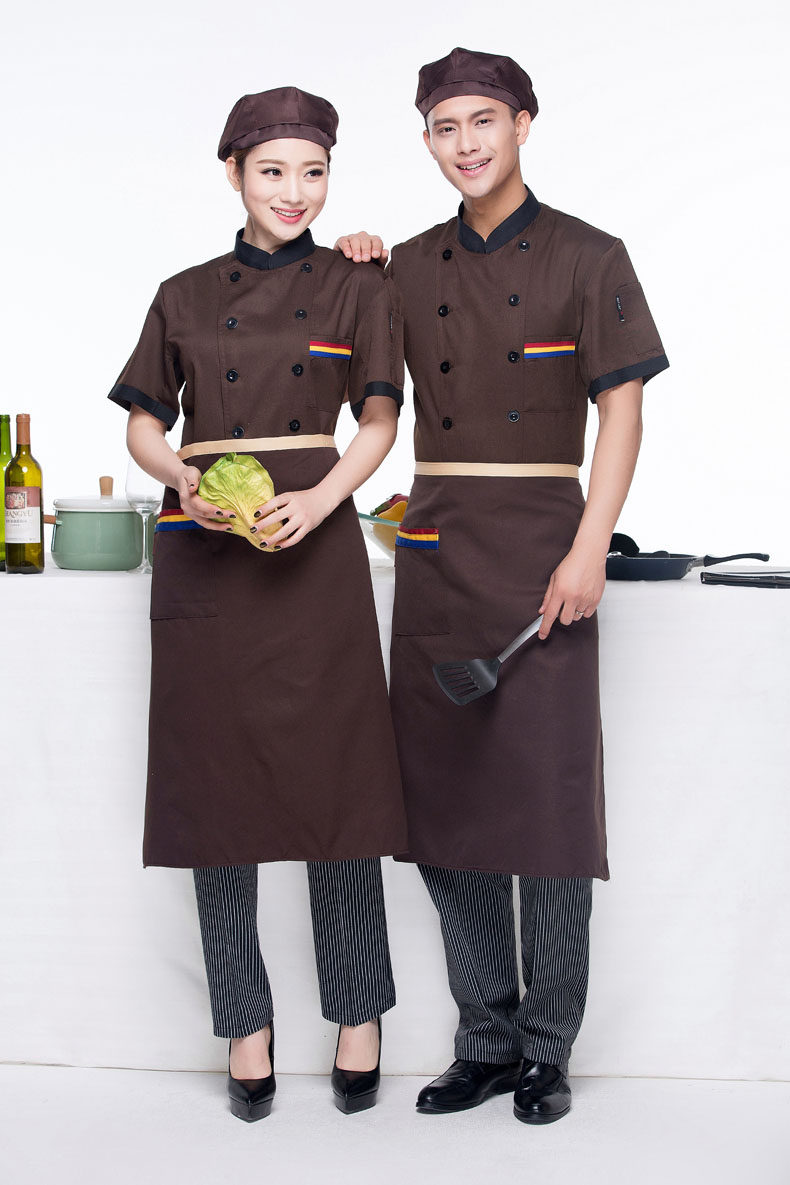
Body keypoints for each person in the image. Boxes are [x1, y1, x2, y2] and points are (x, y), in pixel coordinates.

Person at [336, 47, 668, 1124]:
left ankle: (546, 1048)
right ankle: (483, 1037)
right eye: (445, 127)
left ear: (524, 123)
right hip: (437, 549)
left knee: (549, 816)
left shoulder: (589, 255)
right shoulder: (402, 268)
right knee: (446, 809)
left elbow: (622, 411)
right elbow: (334, 364)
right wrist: (345, 262)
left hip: (544, 546)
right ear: (427, 141)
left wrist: (589, 545)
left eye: (483, 120)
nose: (466, 143)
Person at [107, 86, 408, 1121]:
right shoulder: (183, 294)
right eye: (272, 170)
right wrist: (183, 481)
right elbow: (144, 424)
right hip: (209, 546)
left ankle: (359, 1011)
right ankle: (245, 1022)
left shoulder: (360, 283)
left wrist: (321, 501)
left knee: (341, 785)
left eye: (312, 172)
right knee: (215, 792)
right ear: (233, 173)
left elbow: (377, 420)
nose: (294, 191)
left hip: (313, 544)